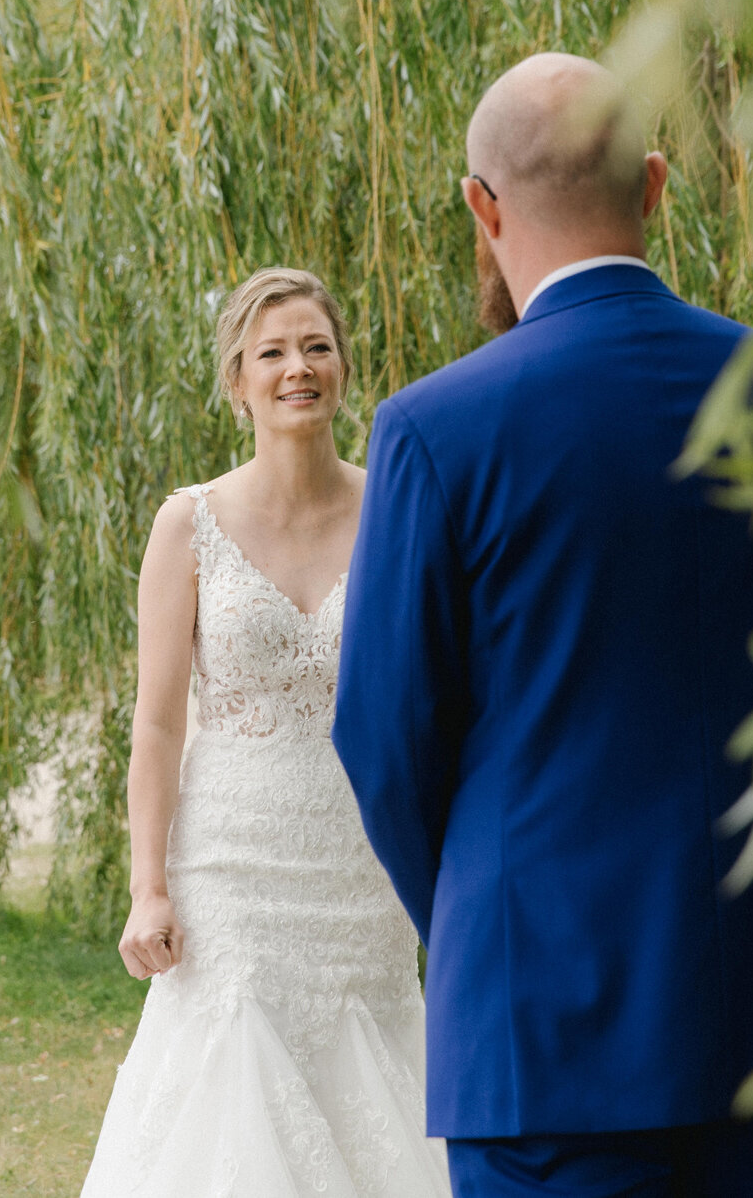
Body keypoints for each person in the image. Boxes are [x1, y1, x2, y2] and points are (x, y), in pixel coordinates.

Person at [331, 51, 753, 1198]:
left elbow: (385, 736)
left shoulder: (434, 431)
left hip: (541, 1010)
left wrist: (477, 912)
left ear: (480, 205)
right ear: (653, 186)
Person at [83, 268, 450, 1196]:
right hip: (230, 868)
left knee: (373, 1078)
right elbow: (160, 725)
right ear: (238, 381)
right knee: (234, 1087)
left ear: (343, 370)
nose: (298, 368)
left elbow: (436, 700)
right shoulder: (189, 524)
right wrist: (148, 888)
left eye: (317, 347)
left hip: (361, 862)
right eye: (272, 352)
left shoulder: (397, 511)